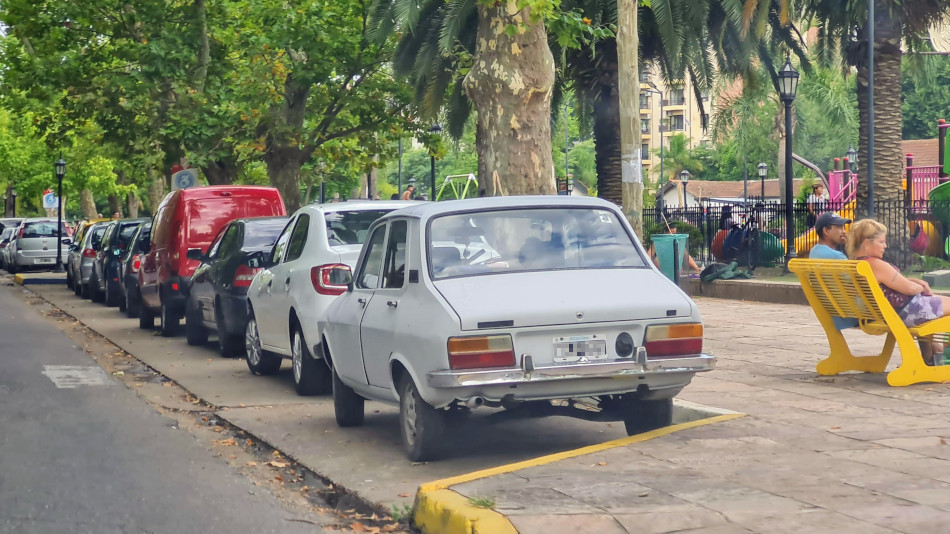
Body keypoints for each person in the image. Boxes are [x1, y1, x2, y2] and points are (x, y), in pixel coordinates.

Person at [847, 219, 950, 364]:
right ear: (867, 243)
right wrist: (923, 286)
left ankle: (931, 358)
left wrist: (915, 282)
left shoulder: (855, 264)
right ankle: (943, 355)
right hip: (906, 312)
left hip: (887, 313)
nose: (885, 246)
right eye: (881, 242)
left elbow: (896, 282)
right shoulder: (876, 264)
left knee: (935, 307)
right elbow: (909, 289)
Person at [809, 212, 858, 330]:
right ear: (826, 231)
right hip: (850, 313)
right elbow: (858, 282)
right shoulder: (836, 257)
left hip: (832, 310)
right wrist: (851, 247)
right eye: (839, 228)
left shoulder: (814, 252)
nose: (844, 231)